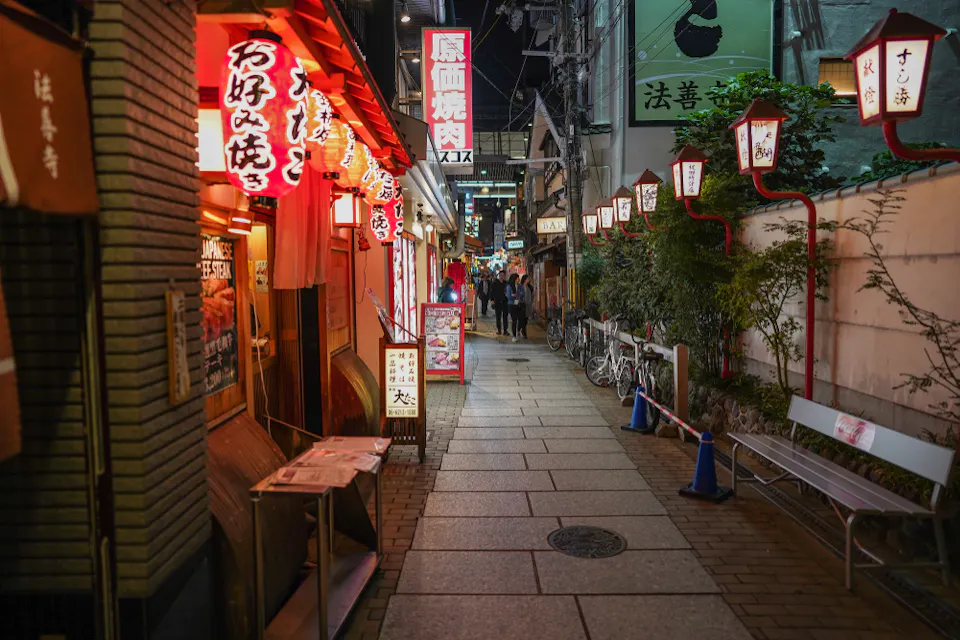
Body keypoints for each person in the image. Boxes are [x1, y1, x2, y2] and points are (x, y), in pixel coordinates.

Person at [490, 271, 508, 335]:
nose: (502, 276)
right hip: (497, 302)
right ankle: (499, 330)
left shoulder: (506, 283)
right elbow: (492, 292)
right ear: (499, 275)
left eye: (503, 275)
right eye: (501, 275)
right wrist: (492, 300)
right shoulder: (495, 283)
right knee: (498, 317)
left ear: (505, 276)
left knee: (505, 317)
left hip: (505, 302)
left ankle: (505, 330)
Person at [506, 273, 522, 341]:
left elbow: (522, 293)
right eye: (518, 278)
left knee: (520, 319)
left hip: (518, 304)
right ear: (515, 279)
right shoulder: (509, 286)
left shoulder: (519, 286)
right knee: (514, 320)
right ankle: (514, 336)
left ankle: (517, 331)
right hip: (511, 305)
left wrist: (515, 295)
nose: (519, 279)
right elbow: (509, 296)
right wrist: (516, 295)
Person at [520, 274, 534, 339]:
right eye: (528, 278)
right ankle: (524, 332)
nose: (529, 280)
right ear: (525, 279)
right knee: (522, 319)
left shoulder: (530, 287)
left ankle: (520, 330)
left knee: (525, 320)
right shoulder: (520, 287)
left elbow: (532, 296)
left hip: (528, 305)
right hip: (521, 305)